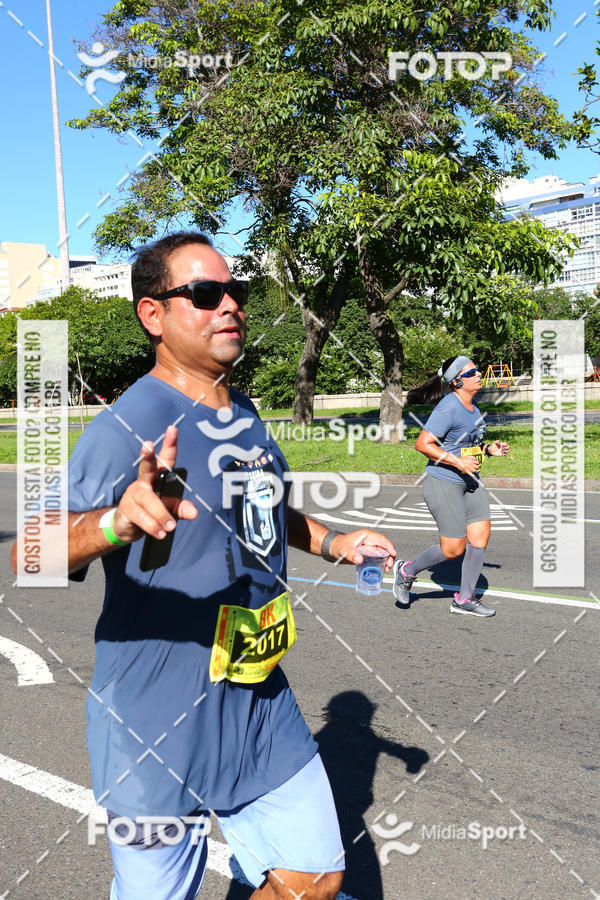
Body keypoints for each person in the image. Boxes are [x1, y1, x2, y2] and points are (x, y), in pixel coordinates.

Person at [11, 232, 395, 900]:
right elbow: (29, 552)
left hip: (256, 692)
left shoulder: (243, 412)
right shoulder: (126, 425)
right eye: (204, 293)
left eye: (235, 292)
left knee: (316, 879)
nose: (230, 306)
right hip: (154, 712)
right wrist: (116, 522)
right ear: (153, 316)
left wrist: (335, 543)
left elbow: (266, 511)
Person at [392, 356, 509, 618]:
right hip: (443, 481)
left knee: (480, 538)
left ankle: (464, 599)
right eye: (472, 373)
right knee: (453, 549)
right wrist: (457, 461)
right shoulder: (449, 407)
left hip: (469, 481)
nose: (479, 374)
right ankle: (406, 572)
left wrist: (488, 450)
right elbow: (423, 444)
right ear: (457, 382)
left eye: (477, 370)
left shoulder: (473, 408)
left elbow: (466, 447)